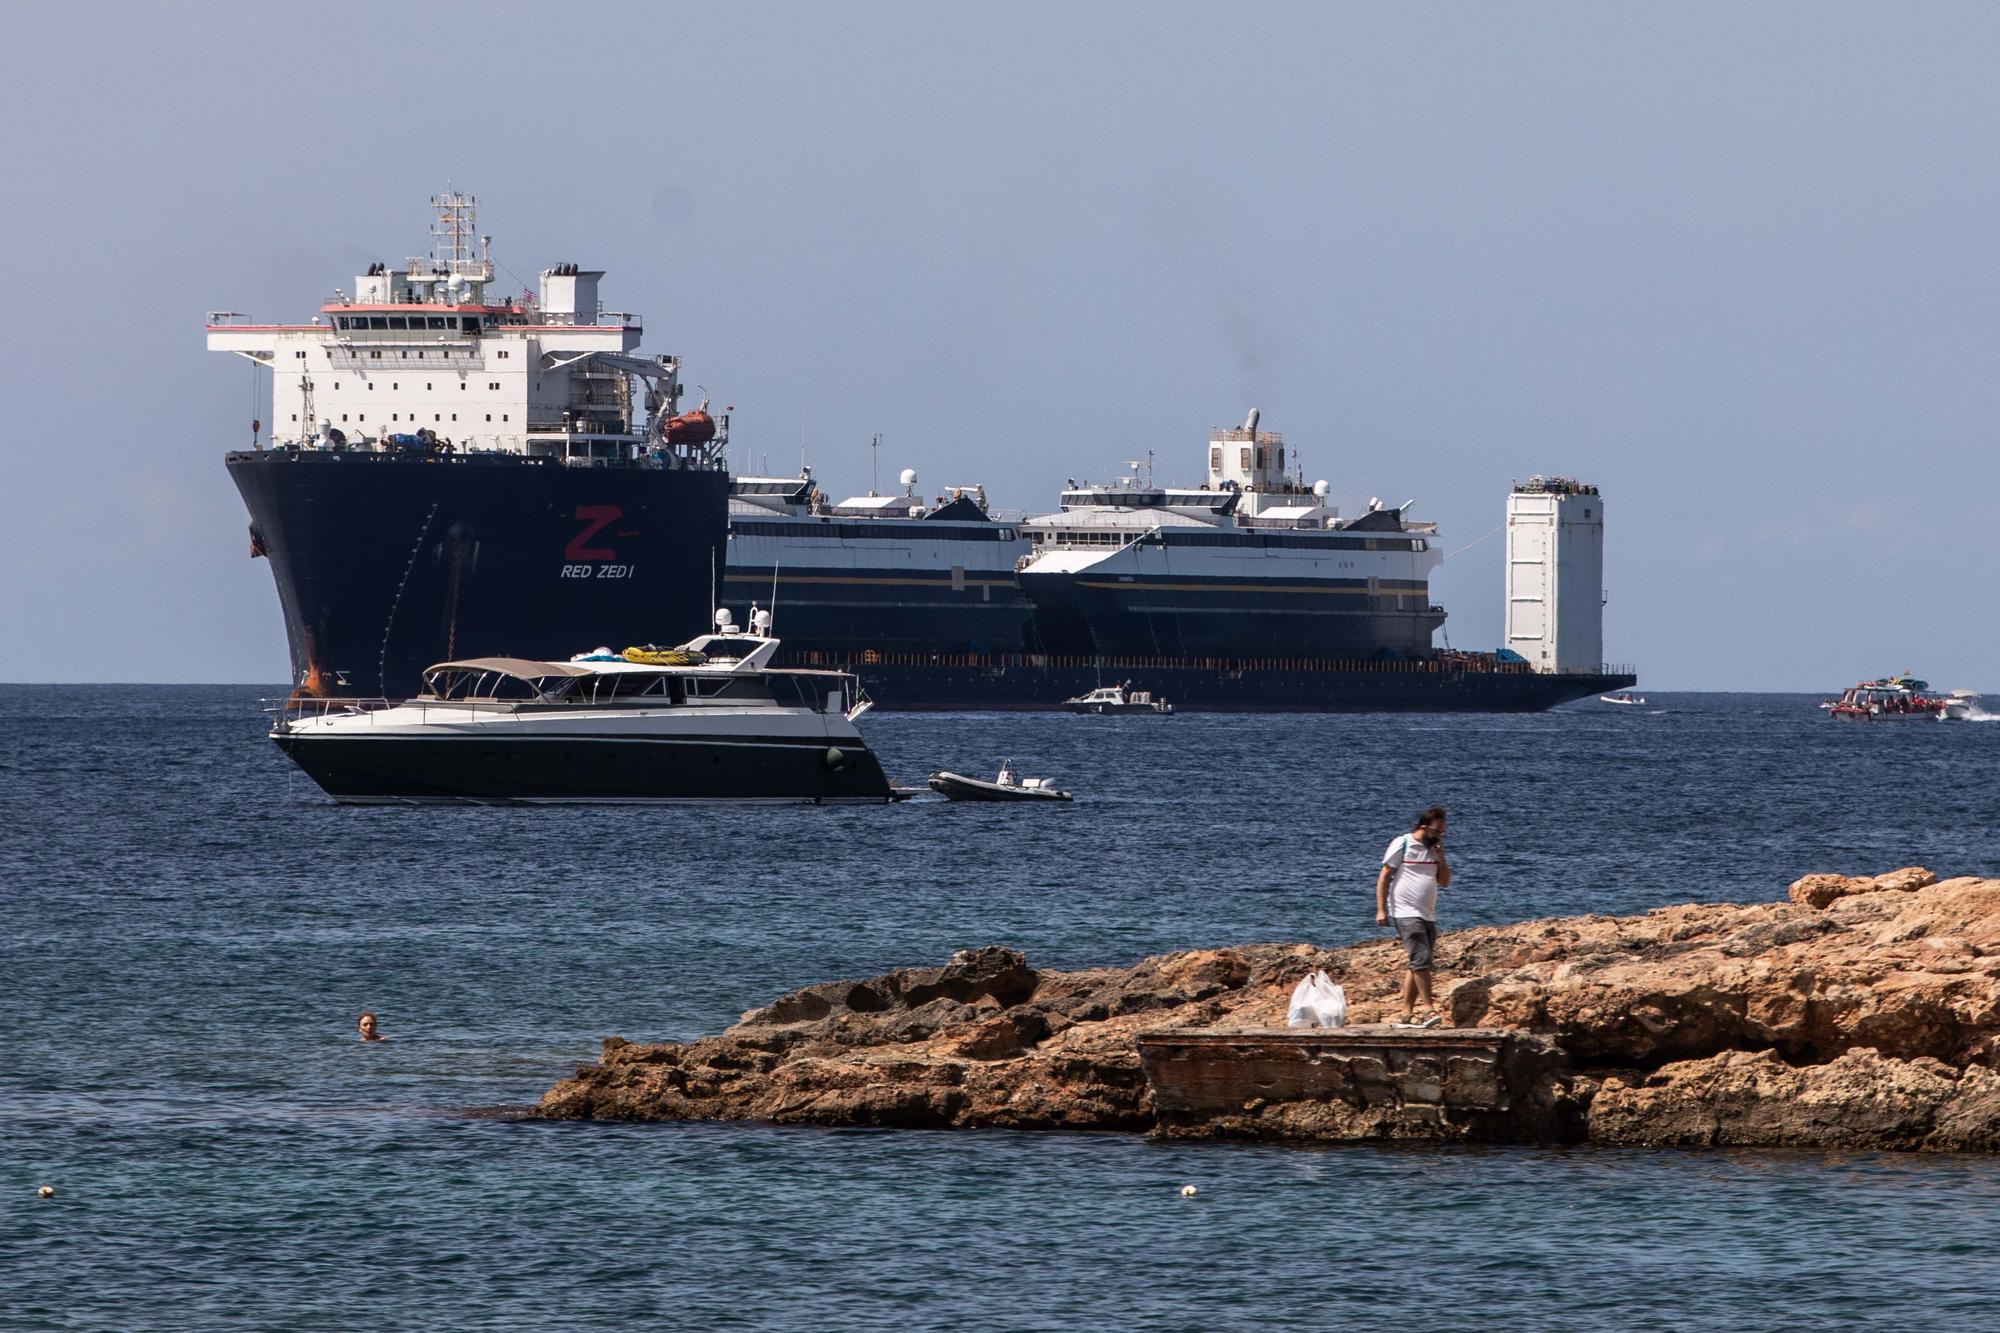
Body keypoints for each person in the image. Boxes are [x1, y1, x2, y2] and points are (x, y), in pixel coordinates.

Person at [1375, 806, 1451, 1027]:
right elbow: (1384, 877)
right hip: (1405, 910)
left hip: (1427, 912)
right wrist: (1381, 909)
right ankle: (1428, 1009)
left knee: (1417, 963)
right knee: (1421, 958)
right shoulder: (1403, 843)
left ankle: (1406, 1012)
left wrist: (1441, 856)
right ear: (1424, 827)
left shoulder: (1433, 850)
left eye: (1443, 833)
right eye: (1437, 831)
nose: (1440, 836)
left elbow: (1444, 881)